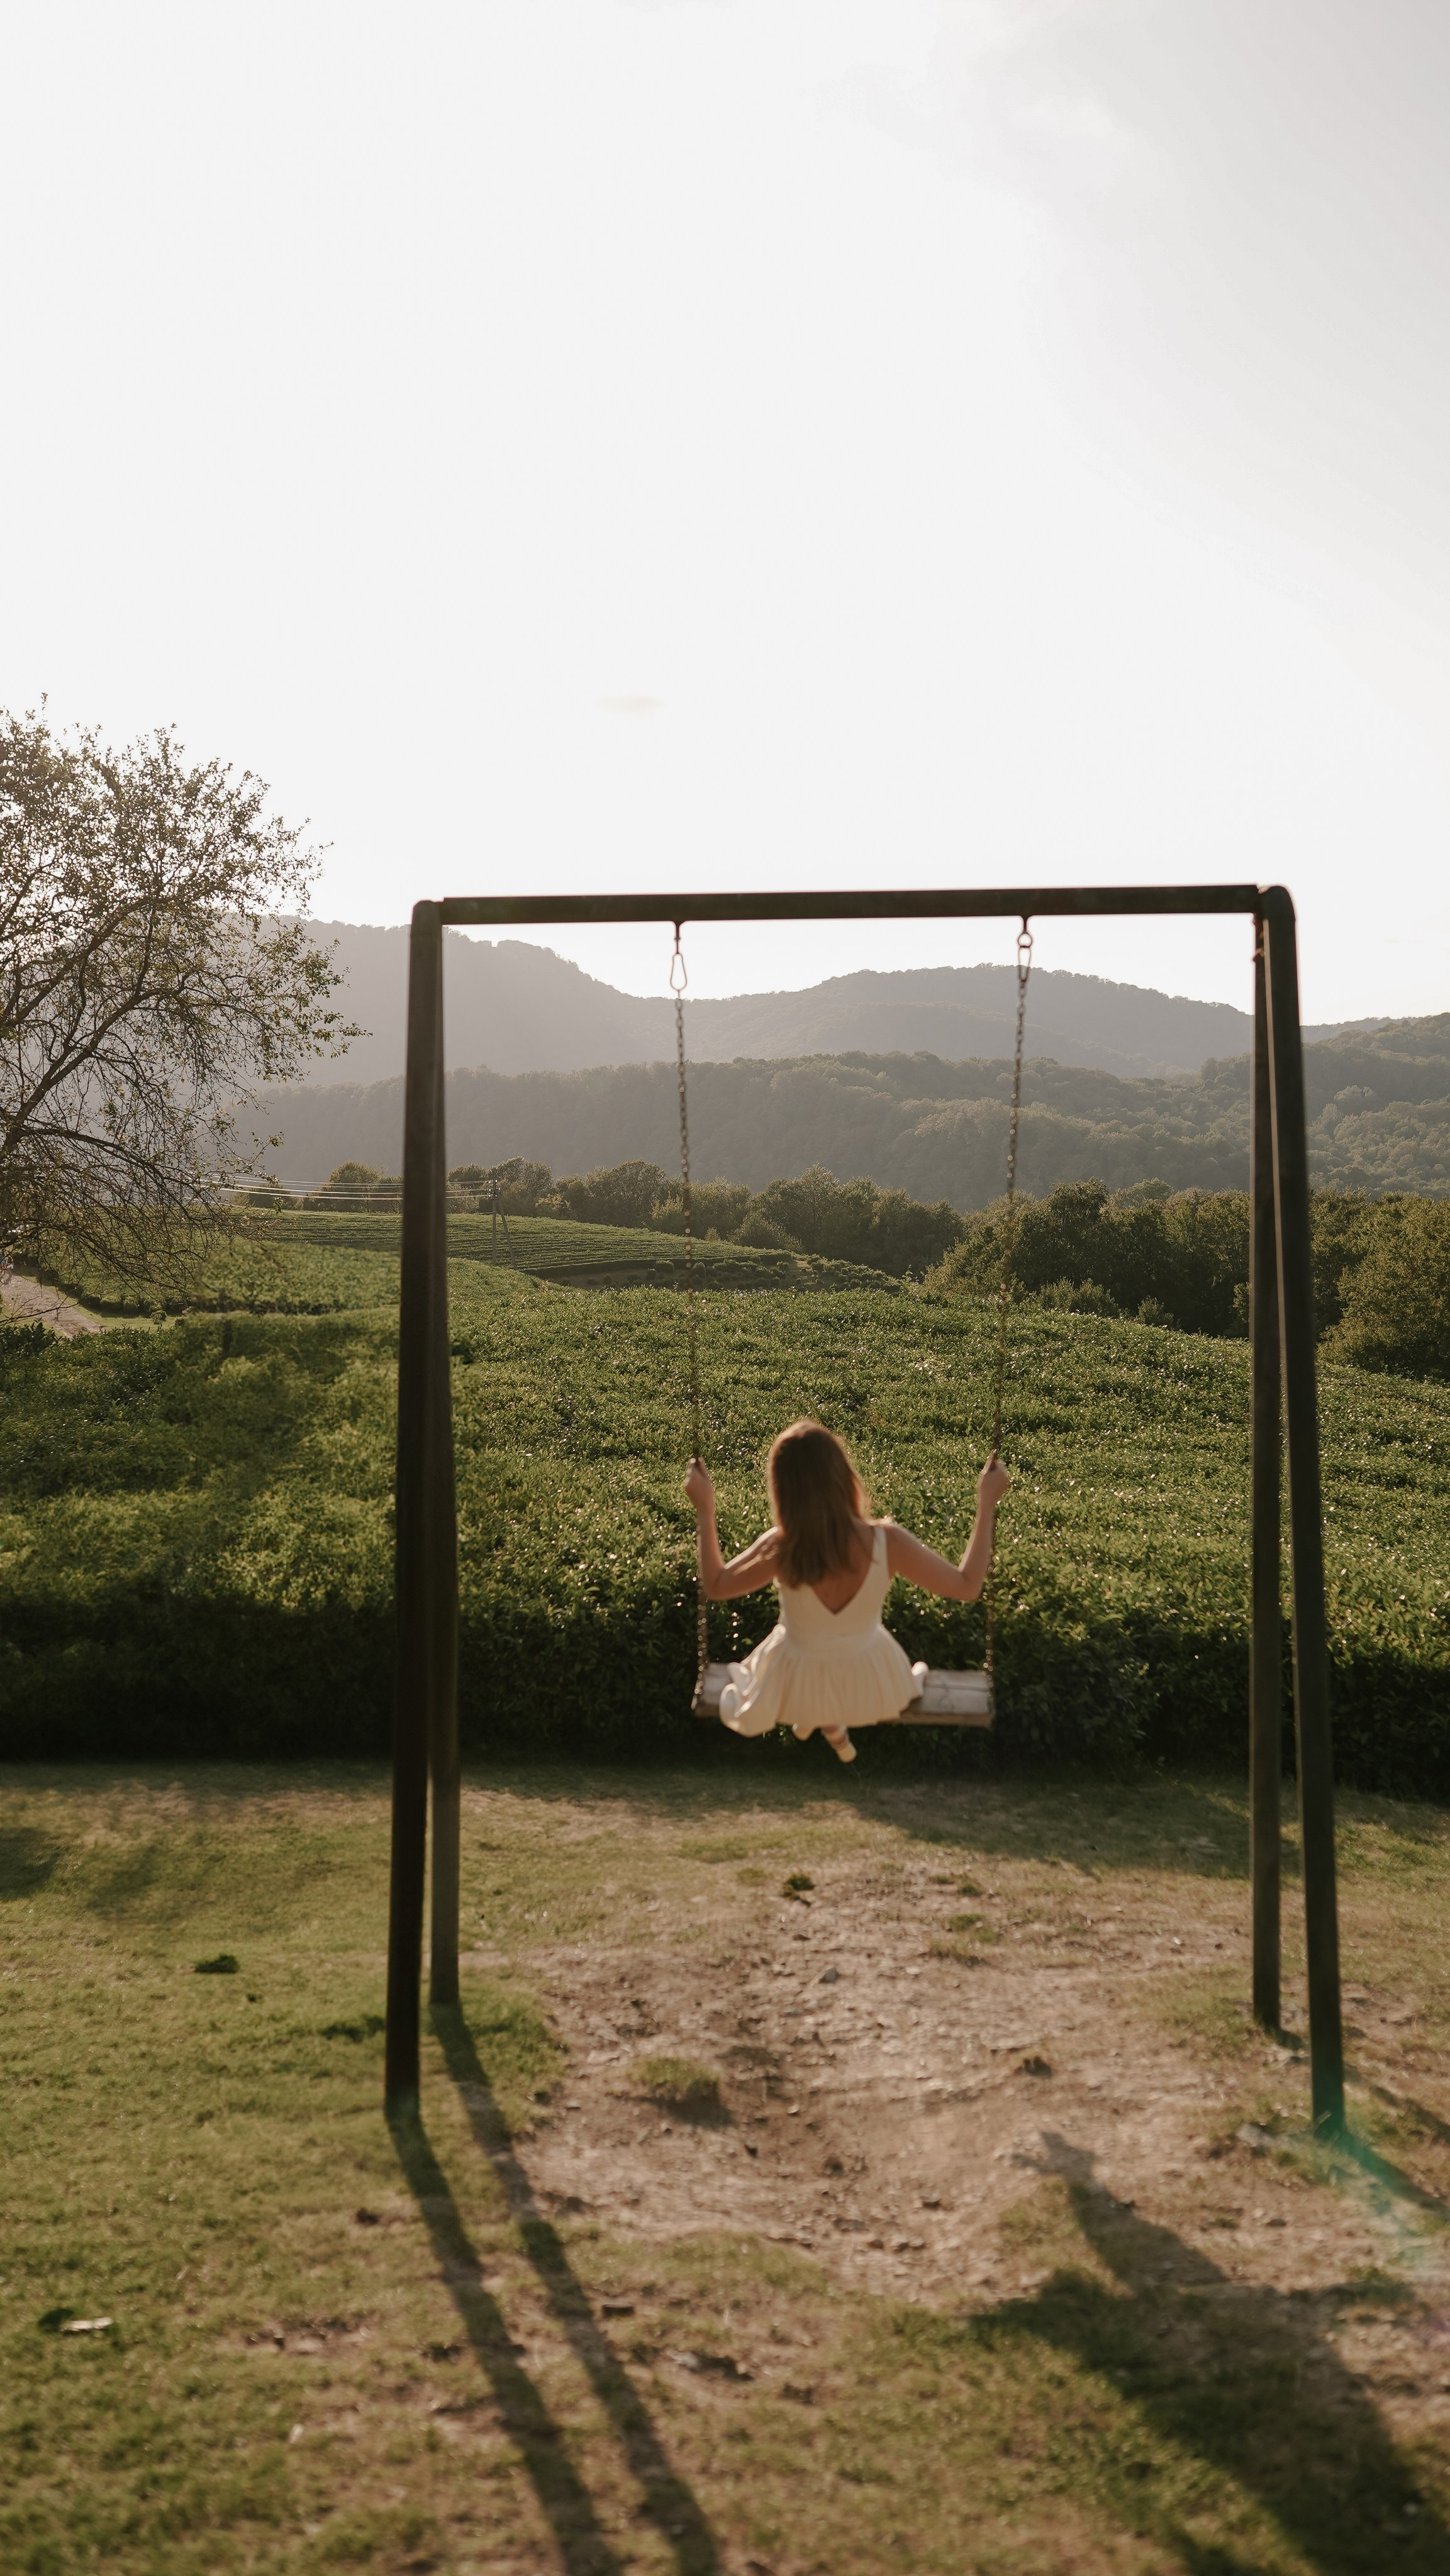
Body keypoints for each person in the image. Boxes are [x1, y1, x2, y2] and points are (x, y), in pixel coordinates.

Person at [684, 1418, 1012, 1764]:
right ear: (843, 1476)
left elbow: (717, 1586)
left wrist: (705, 1509)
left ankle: (815, 1713)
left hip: (792, 1682)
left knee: (778, 1665)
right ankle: (825, 1718)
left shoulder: (781, 1547)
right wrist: (987, 1503)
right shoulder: (888, 1542)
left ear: (783, 1488)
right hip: (873, 1686)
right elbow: (967, 1586)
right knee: (837, 1668)